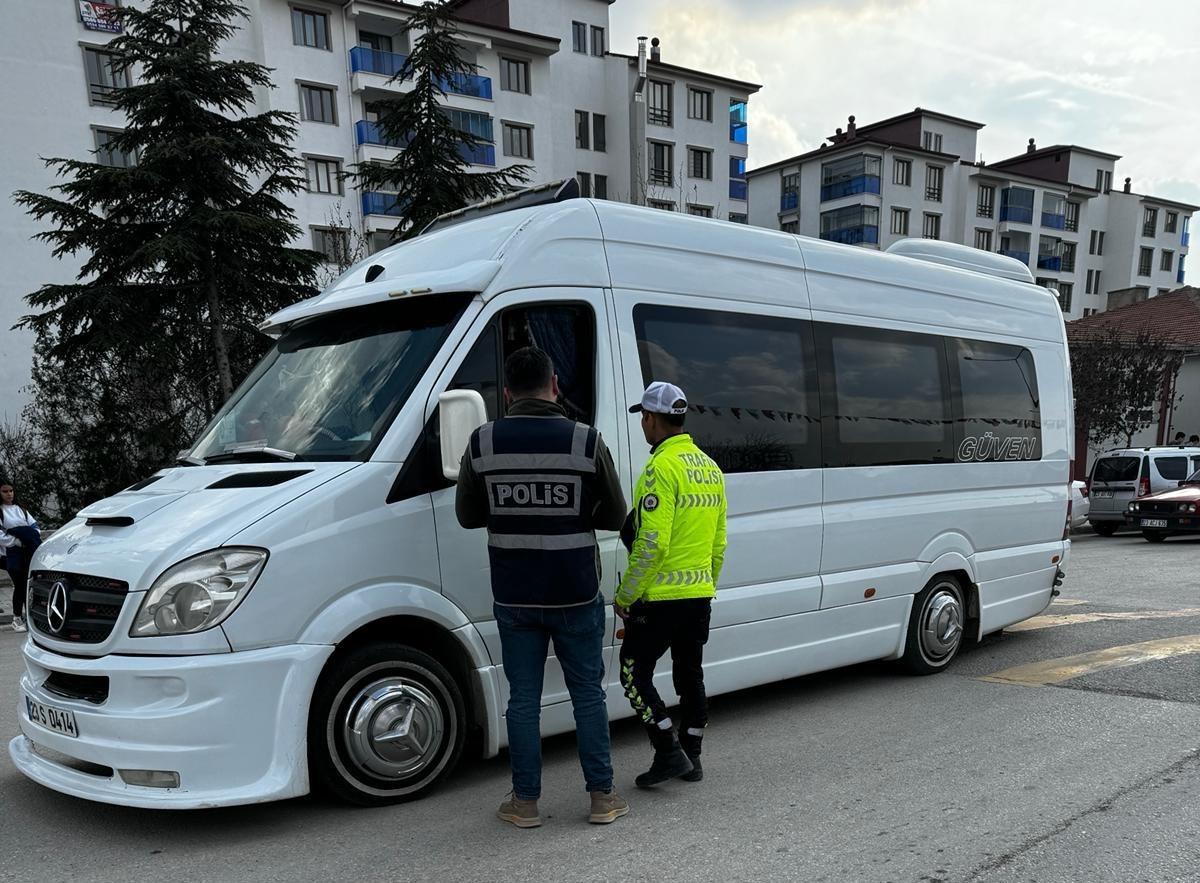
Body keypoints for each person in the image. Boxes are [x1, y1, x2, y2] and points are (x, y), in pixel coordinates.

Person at [455, 346, 630, 828]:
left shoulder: (483, 442)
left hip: (515, 595)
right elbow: (616, 515)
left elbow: (468, 516)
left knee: (524, 700)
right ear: (555, 385)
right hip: (575, 591)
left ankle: (526, 803)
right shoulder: (585, 441)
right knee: (588, 695)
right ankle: (602, 798)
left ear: (507, 393)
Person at [615, 382, 727, 789]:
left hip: (659, 600)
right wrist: (704, 585)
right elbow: (719, 543)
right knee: (690, 674)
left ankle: (667, 750)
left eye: (643, 418)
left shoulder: (660, 469)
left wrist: (626, 595)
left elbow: (651, 542)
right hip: (698, 594)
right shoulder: (710, 469)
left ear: (651, 419)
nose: (643, 425)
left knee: (632, 673)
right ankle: (692, 757)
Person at [0, 478, 42, 634]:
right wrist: (18, 541)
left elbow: (35, 527)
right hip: (9, 555)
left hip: (26, 552)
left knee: (26, 585)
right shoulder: (1, 511)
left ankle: (28, 617)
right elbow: (1, 536)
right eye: (5, 491)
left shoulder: (21, 510)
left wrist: (28, 537)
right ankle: (17, 618)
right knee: (19, 585)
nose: (9, 494)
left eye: (11, 491)